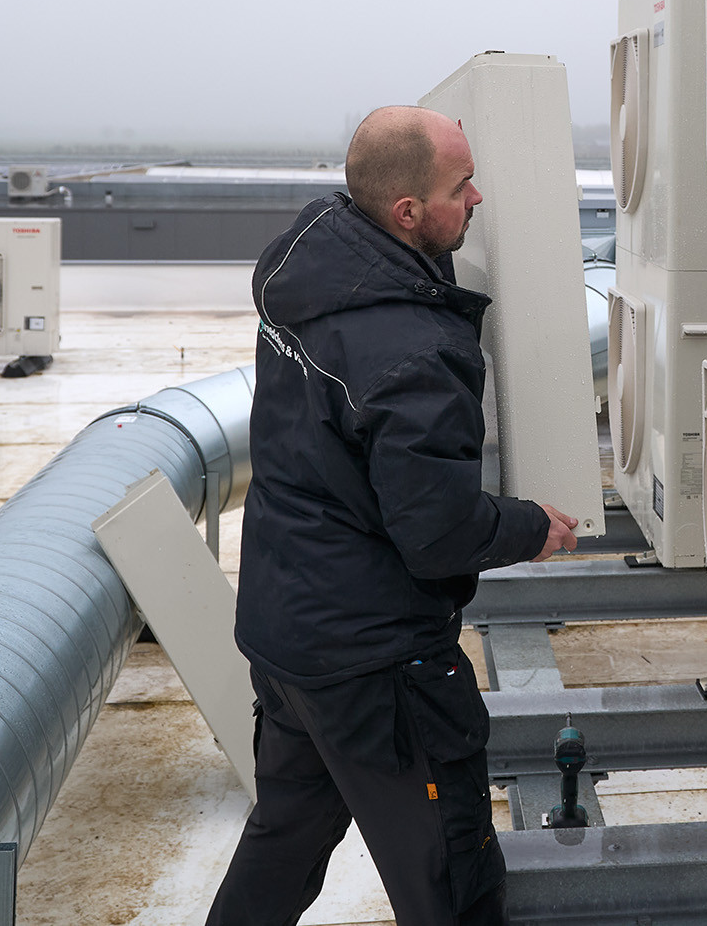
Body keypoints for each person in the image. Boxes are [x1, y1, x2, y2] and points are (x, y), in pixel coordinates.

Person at [206, 105, 579, 926]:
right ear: (407, 211)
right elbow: (437, 533)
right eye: (461, 185)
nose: (477, 197)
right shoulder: (412, 350)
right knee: (449, 881)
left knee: (283, 842)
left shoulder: (317, 266)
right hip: (378, 665)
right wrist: (533, 526)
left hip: (288, 634)